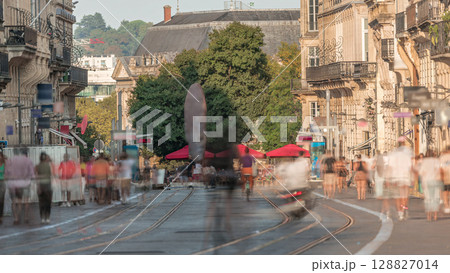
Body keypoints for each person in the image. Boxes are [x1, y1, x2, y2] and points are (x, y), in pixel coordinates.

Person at [5, 147, 35, 224]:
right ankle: (26, 217)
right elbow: (32, 174)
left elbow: (6, 174)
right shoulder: (28, 160)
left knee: (14, 201)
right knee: (26, 201)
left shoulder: (10, 161)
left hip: (13, 184)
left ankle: (16, 218)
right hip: (25, 183)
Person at [386, 139, 413, 220]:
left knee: (398, 197)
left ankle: (400, 213)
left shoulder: (393, 155)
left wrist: (387, 179)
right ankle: (404, 209)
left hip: (396, 178)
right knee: (405, 196)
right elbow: (410, 168)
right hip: (405, 177)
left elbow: (389, 168)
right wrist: (412, 179)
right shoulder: (407, 156)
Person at [418, 150, 442, 221]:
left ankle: (429, 216)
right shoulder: (436, 161)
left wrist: (422, 183)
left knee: (428, 199)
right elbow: (438, 171)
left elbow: (422, 173)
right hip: (435, 181)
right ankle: (435, 215)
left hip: (427, 181)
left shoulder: (424, 162)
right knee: (435, 198)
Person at [35, 152, 53, 224]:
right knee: (46, 202)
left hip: (43, 185)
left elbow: (37, 177)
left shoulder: (38, 166)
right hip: (46, 185)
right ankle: (46, 217)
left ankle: (43, 217)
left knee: (42, 203)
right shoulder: (47, 166)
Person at [440, 146, 450, 214]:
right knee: (447, 192)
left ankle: (447, 206)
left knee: (445, 192)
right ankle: (447, 205)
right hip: (446, 176)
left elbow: (440, 168)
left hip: (445, 176)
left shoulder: (442, 157)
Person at [0, 152, 6, 225]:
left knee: (1, 200)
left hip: (2, 183)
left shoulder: (5, 165)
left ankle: (0, 216)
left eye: (0, 156)